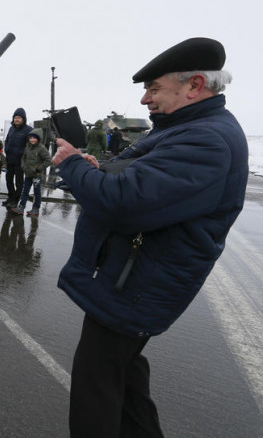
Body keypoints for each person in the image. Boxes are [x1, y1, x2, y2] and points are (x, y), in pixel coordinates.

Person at [51, 37, 247, 437]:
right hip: (134, 283)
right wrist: (94, 170)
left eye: (153, 88)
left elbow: (125, 204)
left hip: (136, 288)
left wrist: (72, 164)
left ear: (194, 85)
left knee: (96, 391)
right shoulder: (189, 128)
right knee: (127, 385)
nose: (144, 99)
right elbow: (136, 179)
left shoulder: (205, 139)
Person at [11, 129, 51, 217]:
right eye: (31, 138)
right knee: (25, 191)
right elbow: (23, 158)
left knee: (37, 192)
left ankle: (36, 208)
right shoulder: (27, 147)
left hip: (36, 175)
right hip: (28, 173)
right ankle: (21, 207)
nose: (32, 140)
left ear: (38, 139)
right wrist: (23, 166)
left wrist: (38, 169)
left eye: (34, 138)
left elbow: (48, 160)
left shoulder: (41, 148)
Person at [3, 107, 33, 208]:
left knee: (19, 182)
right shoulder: (11, 128)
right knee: (8, 180)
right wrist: (6, 149)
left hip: (20, 161)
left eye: (19, 118)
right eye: (15, 117)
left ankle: (15, 200)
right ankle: (10, 197)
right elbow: (7, 140)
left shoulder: (28, 130)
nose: (17, 119)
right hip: (9, 159)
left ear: (23, 119)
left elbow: (30, 145)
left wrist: (21, 153)